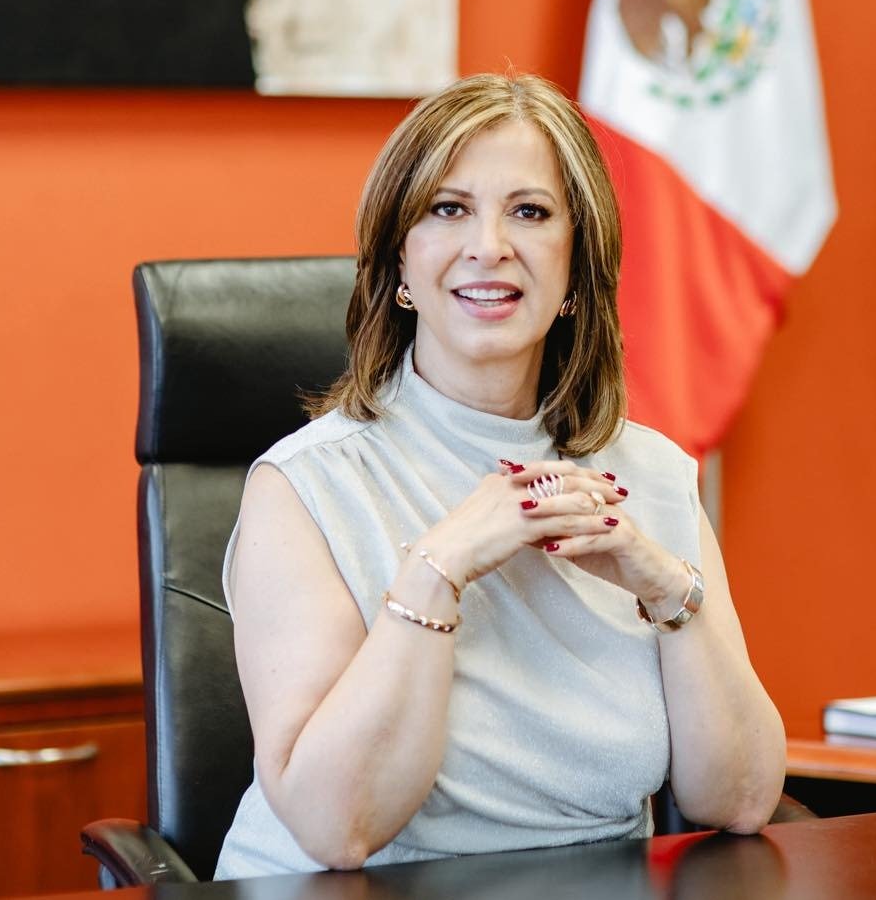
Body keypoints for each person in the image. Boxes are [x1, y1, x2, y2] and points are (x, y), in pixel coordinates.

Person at [214, 73, 786, 878]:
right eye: (448, 209)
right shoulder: (304, 486)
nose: (489, 245)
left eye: (530, 212)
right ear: (400, 263)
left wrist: (663, 586)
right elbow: (335, 830)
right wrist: (438, 568)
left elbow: (743, 800)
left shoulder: (651, 477)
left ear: (576, 270)